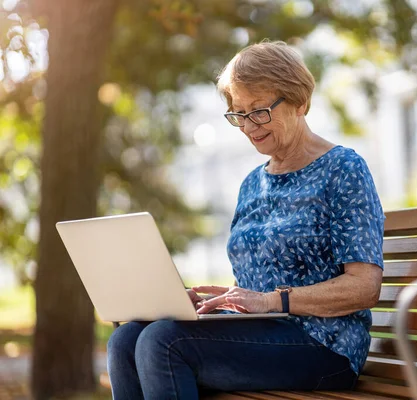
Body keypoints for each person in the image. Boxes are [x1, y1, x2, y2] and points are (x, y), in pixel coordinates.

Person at [107, 40, 385, 399]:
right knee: (126, 338)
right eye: (238, 114)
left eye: (259, 111)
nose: (248, 126)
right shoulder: (253, 183)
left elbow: (365, 287)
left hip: (324, 346)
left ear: (300, 101)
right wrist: (210, 303)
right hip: (259, 334)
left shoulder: (343, 169)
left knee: (164, 342)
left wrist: (272, 301)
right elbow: (255, 286)